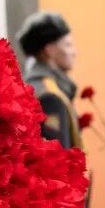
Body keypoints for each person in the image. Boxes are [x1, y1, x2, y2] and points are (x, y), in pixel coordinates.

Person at [17, 11, 82, 149]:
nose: (74, 52)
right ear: (50, 50)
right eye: (68, 45)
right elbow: (58, 161)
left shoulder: (28, 86)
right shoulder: (50, 96)